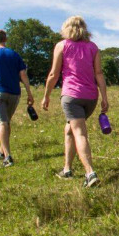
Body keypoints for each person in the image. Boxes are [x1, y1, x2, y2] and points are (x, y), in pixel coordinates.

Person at [41, 15, 109, 187]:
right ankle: (67, 169)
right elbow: (99, 74)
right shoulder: (93, 47)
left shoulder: (62, 46)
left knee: (79, 132)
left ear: (66, 28)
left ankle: (90, 173)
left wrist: (46, 95)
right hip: (91, 97)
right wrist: (104, 97)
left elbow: (53, 74)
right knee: (70, 129)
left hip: (72, 96)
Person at [0, 29, 34, 168]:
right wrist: (29, 93)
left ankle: (8, 156)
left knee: (2, 123)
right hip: (14, 93)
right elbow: (23, 75)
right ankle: (1, 151)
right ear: (6, 39)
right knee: (6, 122)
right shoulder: (14, 55)